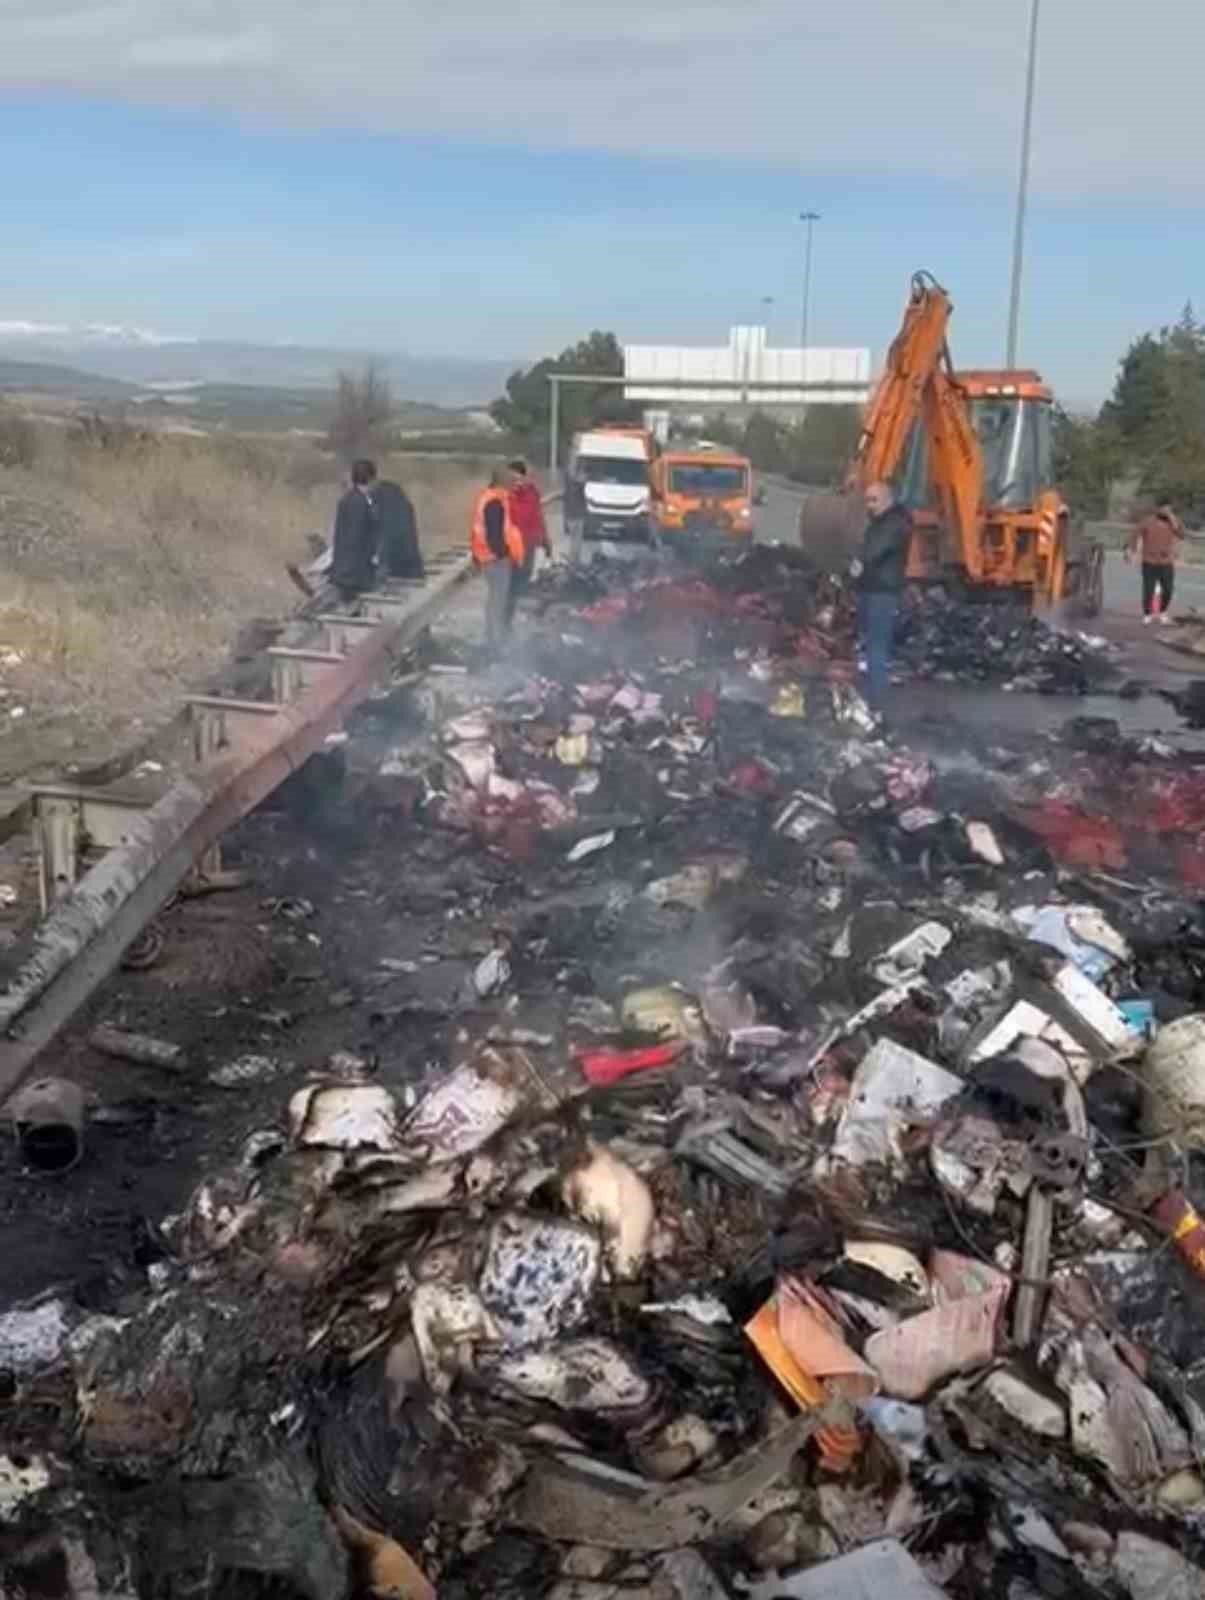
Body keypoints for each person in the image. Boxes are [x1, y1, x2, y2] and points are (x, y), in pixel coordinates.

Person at [850, 480, 911, 721]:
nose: (869, 505)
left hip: (882, 593)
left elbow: (875, 551)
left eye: (874, 500)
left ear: (888, 499)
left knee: (877, 647)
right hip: (871, 589)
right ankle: (869, 694)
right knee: (868, 644)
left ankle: (877, 704)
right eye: (867, 500)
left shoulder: (895, 523)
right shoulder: (880, 523)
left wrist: (859, 562)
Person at [470, 465, 524, 656]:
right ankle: (494, 643)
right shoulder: (495, 501)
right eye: (511, 480)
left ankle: (493, 638)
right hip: (495, 560)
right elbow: (495, 534)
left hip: (489, 557)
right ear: (502, 481)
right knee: (497, 602)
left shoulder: (493, 497)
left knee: (495, 600)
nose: (513, 484)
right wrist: (504, 554)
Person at [505, 458, 550, 624]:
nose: (517, 482)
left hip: (528, 547)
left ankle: (516, 620)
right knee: (507, 589)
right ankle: (504, 623)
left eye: (520, 478)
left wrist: (545, 540)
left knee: (522, 584)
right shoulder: (504, 496)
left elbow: (538, 517)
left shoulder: (532, 493)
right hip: (508, 551)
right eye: (513, 479)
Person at [1126, 501, 1184, 624]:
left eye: (1169, 509)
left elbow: (1182, 534)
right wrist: (1131, 550)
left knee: (1168, 589)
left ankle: (1162, 612)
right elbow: (1134, 534)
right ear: (1158, 509)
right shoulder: (1148, 521)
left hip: (1166, 561)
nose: (1166, 511)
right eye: (1164, 508)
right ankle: (1147, 614)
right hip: (1149, 561)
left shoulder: (1173, 521)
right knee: (1149, 589)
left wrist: (1173, 519)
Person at [331, 458, 378, 600]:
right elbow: (357, 538)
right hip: (354, 574)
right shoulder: (361, 503)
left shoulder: (346, 499)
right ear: (370, 479)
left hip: (343, 570)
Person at [374, 477, 424, 579]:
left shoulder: (387, 504)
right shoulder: (404, 504)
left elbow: (388, 538)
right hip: (411, 569)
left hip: (400, 571)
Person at [563, 459, 588, 566]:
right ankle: (574, 560)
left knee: (574, 539)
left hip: (571, 515)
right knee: (576, 540)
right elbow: (581, 481)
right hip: (576, 516)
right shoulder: (579, 485)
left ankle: (573, 559)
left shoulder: (569, 487)